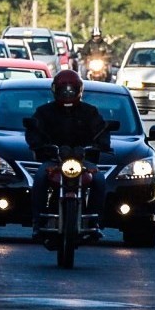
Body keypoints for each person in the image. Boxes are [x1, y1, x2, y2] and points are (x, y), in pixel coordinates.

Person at [25, 70, 110, 240]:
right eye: (64, 90)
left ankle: (95, 222)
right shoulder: (44, 112)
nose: (68, 93)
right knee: (40, 178)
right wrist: (44, 147)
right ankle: (38, 222)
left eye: (72, 90)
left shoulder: (90, 112)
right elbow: (33, 132)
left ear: (79, 90)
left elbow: (102, 132)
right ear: (55, 90)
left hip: (83, 161)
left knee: (99, 180)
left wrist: (96, 146)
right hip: (54, 161)